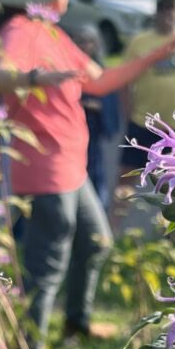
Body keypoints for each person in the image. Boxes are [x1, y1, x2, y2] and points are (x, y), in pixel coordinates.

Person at [0, 0, 175, 349]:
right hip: (43, 166)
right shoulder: (20, 30)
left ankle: (75, 326)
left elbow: (99, 81)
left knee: (97, 241)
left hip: (70, 165)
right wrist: (34, 80)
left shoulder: (50, 31)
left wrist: (160, 52)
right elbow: (0, 73)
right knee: (48, 263)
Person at [116, 0, 175, 227]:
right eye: (163, 11)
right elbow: (125, 79)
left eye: (172, 11)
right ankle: (113, 226)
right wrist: (127, 112)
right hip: (144, 120)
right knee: (126, 176)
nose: (167, 16)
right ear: (156, 14)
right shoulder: (141, 42)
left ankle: (173, 231)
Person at [67, 25, 123, 210]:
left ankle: (97, 212)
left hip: (92, 132)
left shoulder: (99, 69)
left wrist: (88, 105)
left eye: (88, 41)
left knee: (95, 175)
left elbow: (107, 103)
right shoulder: (64, 68)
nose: (83, 45)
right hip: (68, 135)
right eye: (79, 41)